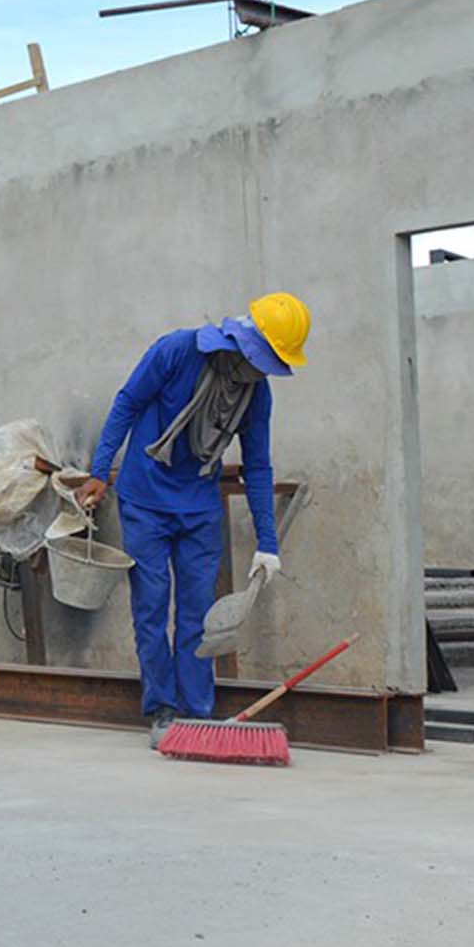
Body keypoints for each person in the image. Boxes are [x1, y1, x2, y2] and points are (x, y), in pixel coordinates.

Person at [74, 293, 310, 748]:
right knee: (152, 606)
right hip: (145, 499)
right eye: (266, 358)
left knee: (198, 614)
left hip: (199, 506)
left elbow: (257, 466)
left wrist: (268, 543)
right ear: (243, 342)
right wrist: (100, 473)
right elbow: (125, 403)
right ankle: (161, 708)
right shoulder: (176, 351)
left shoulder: (255, 395)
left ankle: (197, 713)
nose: (264, 371)